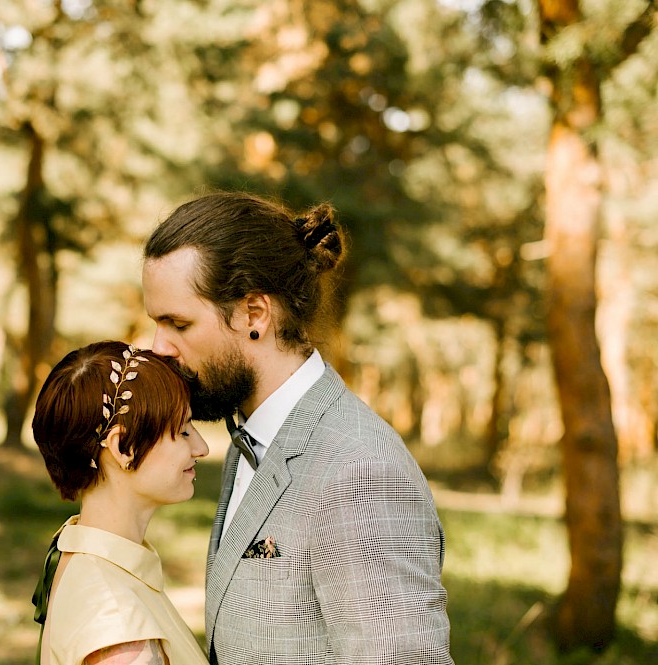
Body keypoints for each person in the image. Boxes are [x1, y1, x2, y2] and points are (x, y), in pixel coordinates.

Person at [142, 192, 453, 663]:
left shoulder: (359, 472)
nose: (158, 346)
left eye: (178, 324)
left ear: (254, 314)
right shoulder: (251, 436)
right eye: (156, 323)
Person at [31, 340, 211, 665]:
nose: (202, 448)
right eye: (183, 431)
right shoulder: (116, 623)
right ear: (124, 448)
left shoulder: (85, 558)